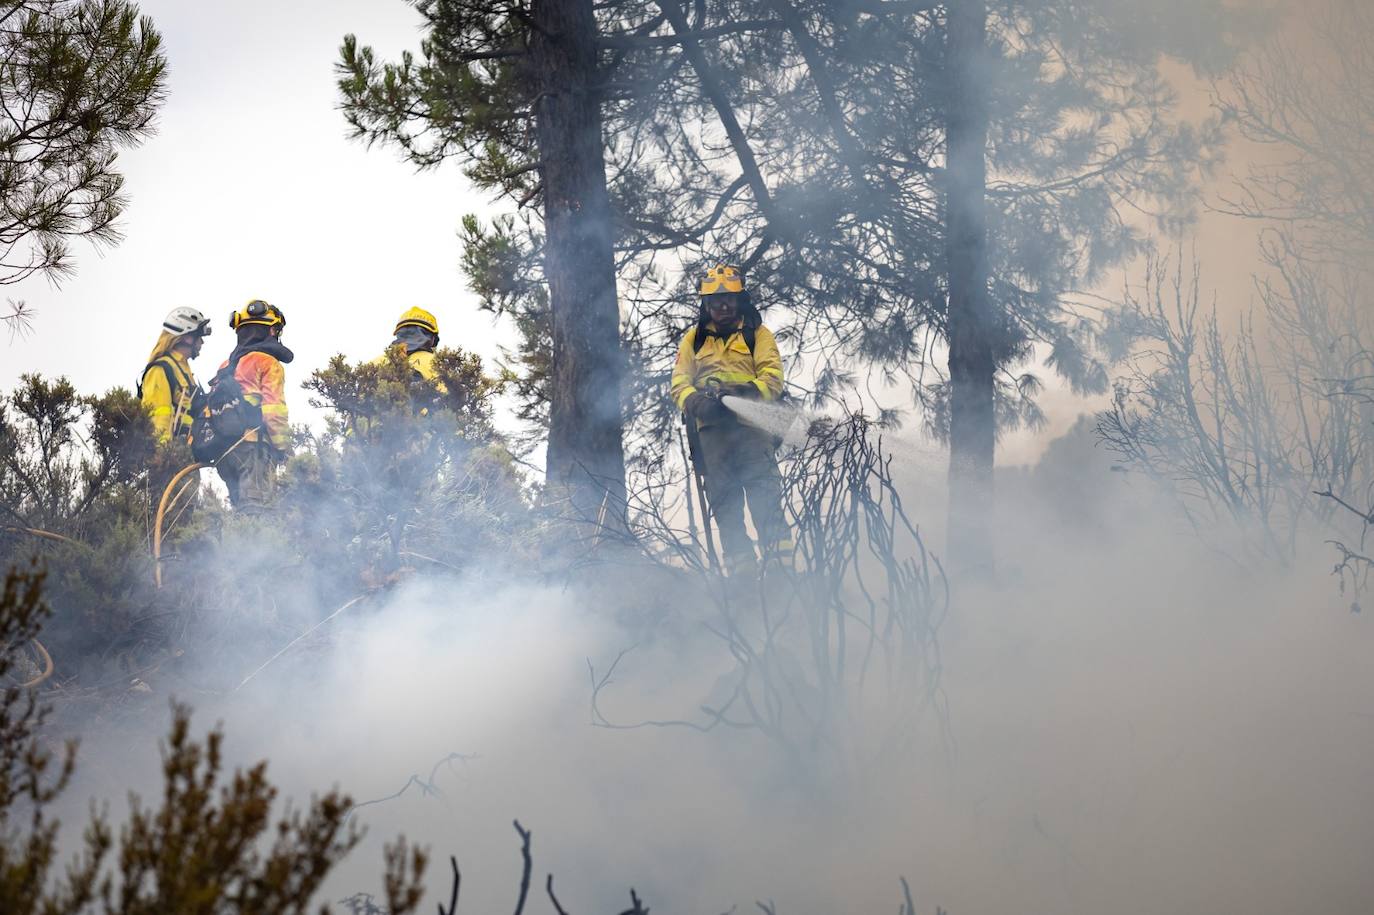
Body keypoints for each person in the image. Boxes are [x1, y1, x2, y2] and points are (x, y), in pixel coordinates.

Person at [671, 264, 793, 575]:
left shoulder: (757, 335)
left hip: (752, 430)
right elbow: (678, 383)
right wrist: (698, 403)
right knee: (725, 506)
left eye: (729, 300)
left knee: (765, 497)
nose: (722, 307)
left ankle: (781, 572)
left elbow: (773, 378)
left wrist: (743, 391)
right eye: (715, 302)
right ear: (706, 305)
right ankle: (743, 577)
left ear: (741, 300)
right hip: (712, 434)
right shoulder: (694, 340)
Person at [215, 299, 293, 513]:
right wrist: (284, 448)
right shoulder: (267, 362)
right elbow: (273, 411)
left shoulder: (225, 366)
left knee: (240, 511)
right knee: (257, 513)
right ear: (271, 331)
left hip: (224, 453)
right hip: (252, 448)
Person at [139, 307, 211, 444]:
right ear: (186, 337)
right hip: (170, 452)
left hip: (186, 449)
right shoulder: (160, 370)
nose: (202, 342)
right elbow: (158, 418)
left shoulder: (182, 368)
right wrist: (164, 456)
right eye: (199, 336)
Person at [383, 307, 444, 388]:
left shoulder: (376, 362)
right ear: (432, 339)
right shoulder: (438, 364)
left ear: (398, 333)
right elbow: (450, 396)